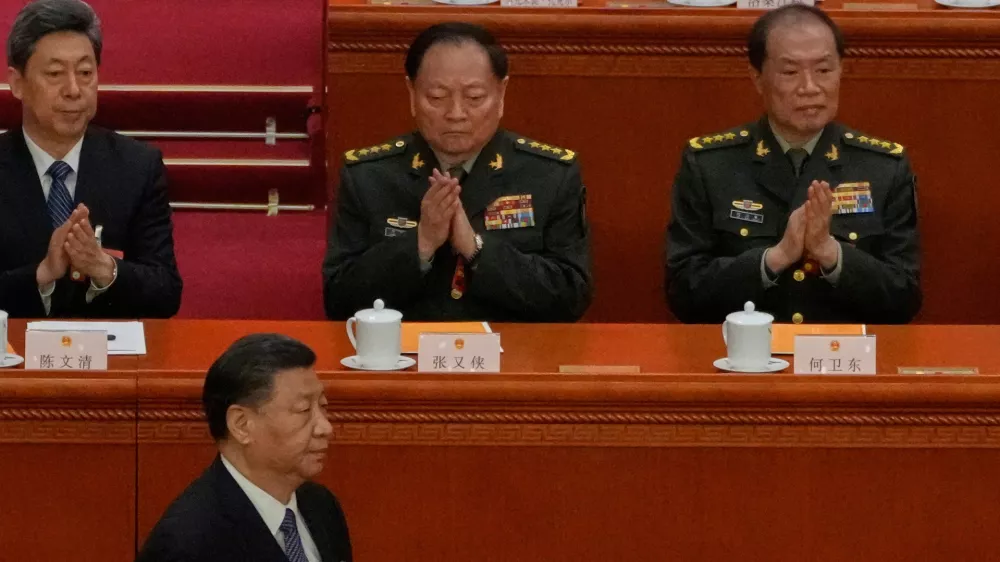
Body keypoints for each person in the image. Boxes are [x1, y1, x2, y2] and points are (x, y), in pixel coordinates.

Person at [665, 5, 920, 325]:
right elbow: (683, 294)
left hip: (842, 364)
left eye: (824, 70)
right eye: (790, 72)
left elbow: (905, 297)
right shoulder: (710, 165)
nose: (809, 87)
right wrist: (776, 257)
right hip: (743, 363)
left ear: (841, 70)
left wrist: (831, 253)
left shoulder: (883, 167)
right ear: (757, 78)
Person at [322, 22, 591, 322]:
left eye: (475, 97)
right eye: (437, 97)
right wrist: (420, 243)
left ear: (501, 93)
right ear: (411, 93)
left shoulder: (549, 175)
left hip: (513, 359)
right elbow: (339, 299)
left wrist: (476, 249)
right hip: (403, 361)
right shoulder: (369, 176)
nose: (456, 113)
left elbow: (570, 297)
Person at [0, 0, 182, 318]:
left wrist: (103, 266)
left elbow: (166, 293)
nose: (74, 89)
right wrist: (41, 275)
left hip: (111, 360)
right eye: (55, 74)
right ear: (17, 84)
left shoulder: (137, 166)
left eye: (85, 72)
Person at [137, 333, 352, 562]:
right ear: (241, 425)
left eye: (323, 406)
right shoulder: (187, 546)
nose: (325, 427)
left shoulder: (321, 506)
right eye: (303, 410)